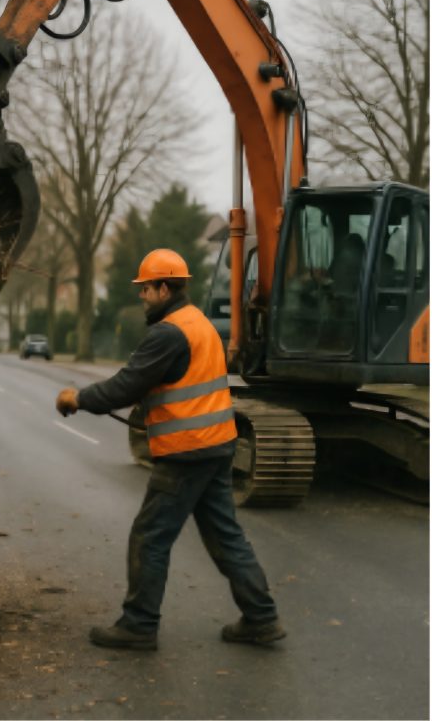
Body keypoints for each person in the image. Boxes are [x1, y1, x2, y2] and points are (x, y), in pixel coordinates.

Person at [55, 249, 285, 651]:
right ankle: (261, 619)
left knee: (150, 536)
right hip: (216, 446)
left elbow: (126, 385)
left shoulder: (169, 333)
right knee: (226, 536)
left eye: (145, 289)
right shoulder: (200, 324)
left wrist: (78, 398)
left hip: (186, 453)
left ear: (164, 287)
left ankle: (139, 624)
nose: (141, 296)